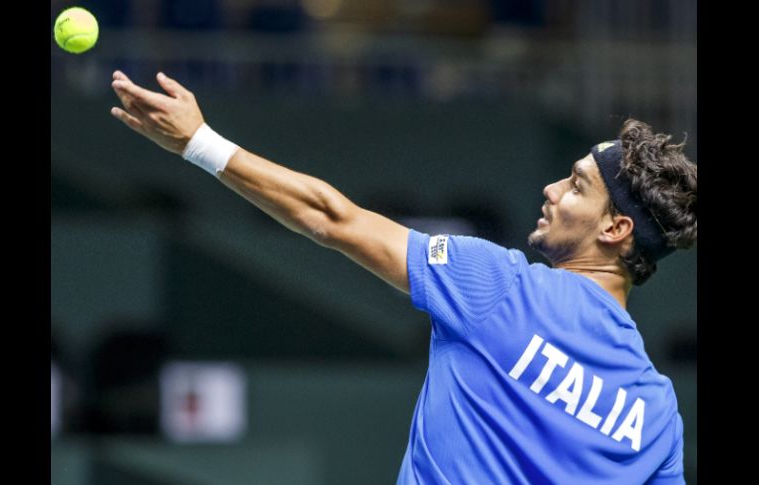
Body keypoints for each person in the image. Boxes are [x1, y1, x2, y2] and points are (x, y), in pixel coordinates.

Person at [110, 70, 696, 484]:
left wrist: (199, 144)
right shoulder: (657, 413)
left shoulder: (497, 286)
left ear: (616, 230)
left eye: (575, 187)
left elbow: (330, 218)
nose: (551, 191)